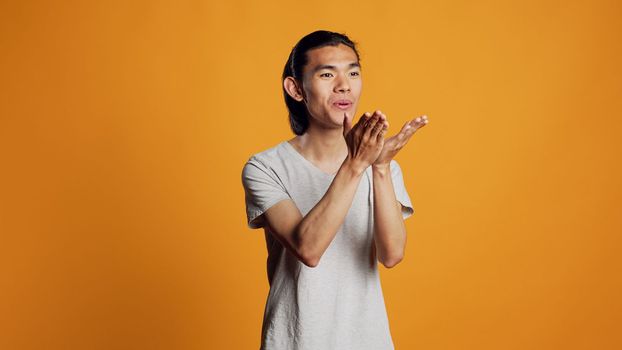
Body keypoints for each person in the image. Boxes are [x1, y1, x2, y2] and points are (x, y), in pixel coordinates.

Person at [241, 30, 428, 350]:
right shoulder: (266, 167)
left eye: (353, 72)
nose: (344, 84)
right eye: (327, 73)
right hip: (295, 340)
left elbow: (392, 254)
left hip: (368, 340)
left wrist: (380, 168)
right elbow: (308, 248)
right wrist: (357, 165)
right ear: (296, 88)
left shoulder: (381, 165)